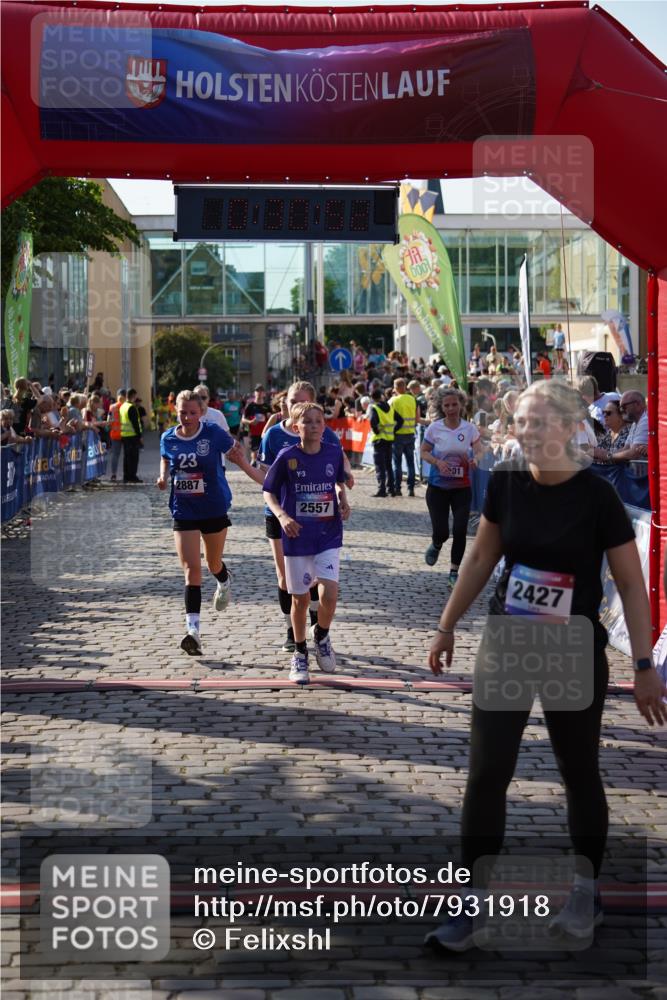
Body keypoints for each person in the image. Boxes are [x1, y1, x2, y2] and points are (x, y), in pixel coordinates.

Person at [425, 379, 666, 953]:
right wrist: (446, 624)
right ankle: (474, 904)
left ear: (568, 426)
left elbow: (632, 585)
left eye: (537, 422)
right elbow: (483, 556)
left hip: (574, 646)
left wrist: (642, 663)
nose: (526, 432)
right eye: (520, 423)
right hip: (509, 640)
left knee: (578, 770)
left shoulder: (597, 497)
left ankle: (586, 892)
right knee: (487, 772)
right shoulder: (507, 485)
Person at [157, 390, 259, 655]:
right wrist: (163, 477)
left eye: (193, 412)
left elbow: (235, 450)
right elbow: (165, 457)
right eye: (183, 412)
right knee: (191, 570)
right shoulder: (168, 437)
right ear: (175, 411)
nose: (188, 417)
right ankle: (193, 631)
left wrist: (241, 457)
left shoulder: (212, 433)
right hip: (183, 509)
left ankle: (223, 580)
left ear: (201, 412)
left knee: (213, 563)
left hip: (213, 506)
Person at [258, 380, 353, 653]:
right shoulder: (280, 444)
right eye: (305, 420)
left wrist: (343, 496)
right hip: (292, 527)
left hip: (326, 531)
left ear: (323, 424)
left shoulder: (331, 446)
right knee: (290, 586)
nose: (312, 425)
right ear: (294, 422)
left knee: (328, 591)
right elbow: (267, 485)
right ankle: (296, 639)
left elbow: (338, 475)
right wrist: (282, 514)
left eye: (317, 421)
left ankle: (320, 632)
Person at [420, 386, 483, 585]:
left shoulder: (469, 428)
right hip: (438, 488)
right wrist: (437, 462)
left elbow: (480, 451)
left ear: (461, 404)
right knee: (442, 532)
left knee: (460, 529)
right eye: (447, 405)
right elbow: (424, 452)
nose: (451, 408)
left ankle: (454, 572)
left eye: (454, 404)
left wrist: (476, 460)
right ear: (441, 407)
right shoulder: (434, 428)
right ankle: (437, 543)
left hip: (461, 489)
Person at [369, 388, 401, 497]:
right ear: (381, 396)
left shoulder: (375, 408)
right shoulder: (390, 408)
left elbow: (373, 423)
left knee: (379, 466)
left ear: (372, 398)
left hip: (379, 440)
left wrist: (377, 431)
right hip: (389, 439)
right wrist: (394, 430)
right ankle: (391, 489)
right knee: (388, 465)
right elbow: (400, 420)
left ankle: (381, 489)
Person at [390, 377, 419, 497]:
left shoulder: (393, 400)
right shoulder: (412, 399)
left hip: (397, 435)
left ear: (395, 388)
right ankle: (411, 489)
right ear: (405, 386)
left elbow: (389, 417)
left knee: (397, 464)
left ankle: (397, 488)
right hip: (410, 434)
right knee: (410, 463)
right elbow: (417, 417)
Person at [592, 398, 630, 463]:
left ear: (621, 415)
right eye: (603, 412)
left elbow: (620, 458)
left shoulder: (629, 434)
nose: (604, 415)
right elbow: (597, 453)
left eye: (608, 413)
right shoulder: (610, 432)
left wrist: (602, 455)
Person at [242, 385, 271, 463]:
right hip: (253, 433)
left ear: (264, 394)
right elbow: (243, 420)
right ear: (254, 393)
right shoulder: (250, 406)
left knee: (263, 453)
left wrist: (269, 416)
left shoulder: (267, 406)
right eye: (257, 391)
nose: (259, 392)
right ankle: (253, 465)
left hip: (264, 433)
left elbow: (272, 420)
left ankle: (260, 469)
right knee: (254, 454)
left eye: (261, 391)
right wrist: (250, 422)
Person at [120, 388, 143, 483]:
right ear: (133, 396)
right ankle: (132, 476)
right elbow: (135, 423)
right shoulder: (131, 407)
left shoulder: (123, 406)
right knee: (133, 457)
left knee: (126, 457)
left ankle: (126, 476)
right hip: (132, 436)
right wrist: (140, 436)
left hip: (124, 435)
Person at [107, 389, 126, 482]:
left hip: (114, 434)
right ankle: (127, 474)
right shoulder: (126, 406)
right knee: (127, 455)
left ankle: (113, 474)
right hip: (126, 434)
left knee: (115, 455)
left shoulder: (112, 407)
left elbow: (108, 420)